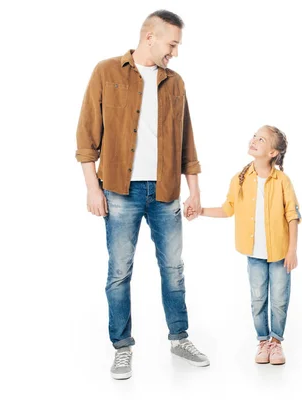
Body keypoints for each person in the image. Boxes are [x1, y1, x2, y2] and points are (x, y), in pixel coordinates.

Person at [75, 10, 209, 380]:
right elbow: (86, 138)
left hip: (166, 191)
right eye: (172, 44)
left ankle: (179, 338)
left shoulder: (176, 83)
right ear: (150, 37)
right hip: (119, 191)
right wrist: (92, 188)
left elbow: (187, 143)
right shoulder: (106, 72)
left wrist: (194, 191)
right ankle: (122, 348)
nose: (175, 53)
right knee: (119, 272)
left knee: (174, 271)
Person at [191, 125, 301, 365]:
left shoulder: (282, 181)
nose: (254, 140)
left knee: (280, 298)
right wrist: (200, 211)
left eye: (261, 139)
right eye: (254, 136)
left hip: (281, 253)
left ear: (273, 152)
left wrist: (292, 250)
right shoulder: (240, 180)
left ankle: (276, 342)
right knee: (258, 298)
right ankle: (263, 341)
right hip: (254, 254)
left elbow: (292, 215)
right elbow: (227, 209)